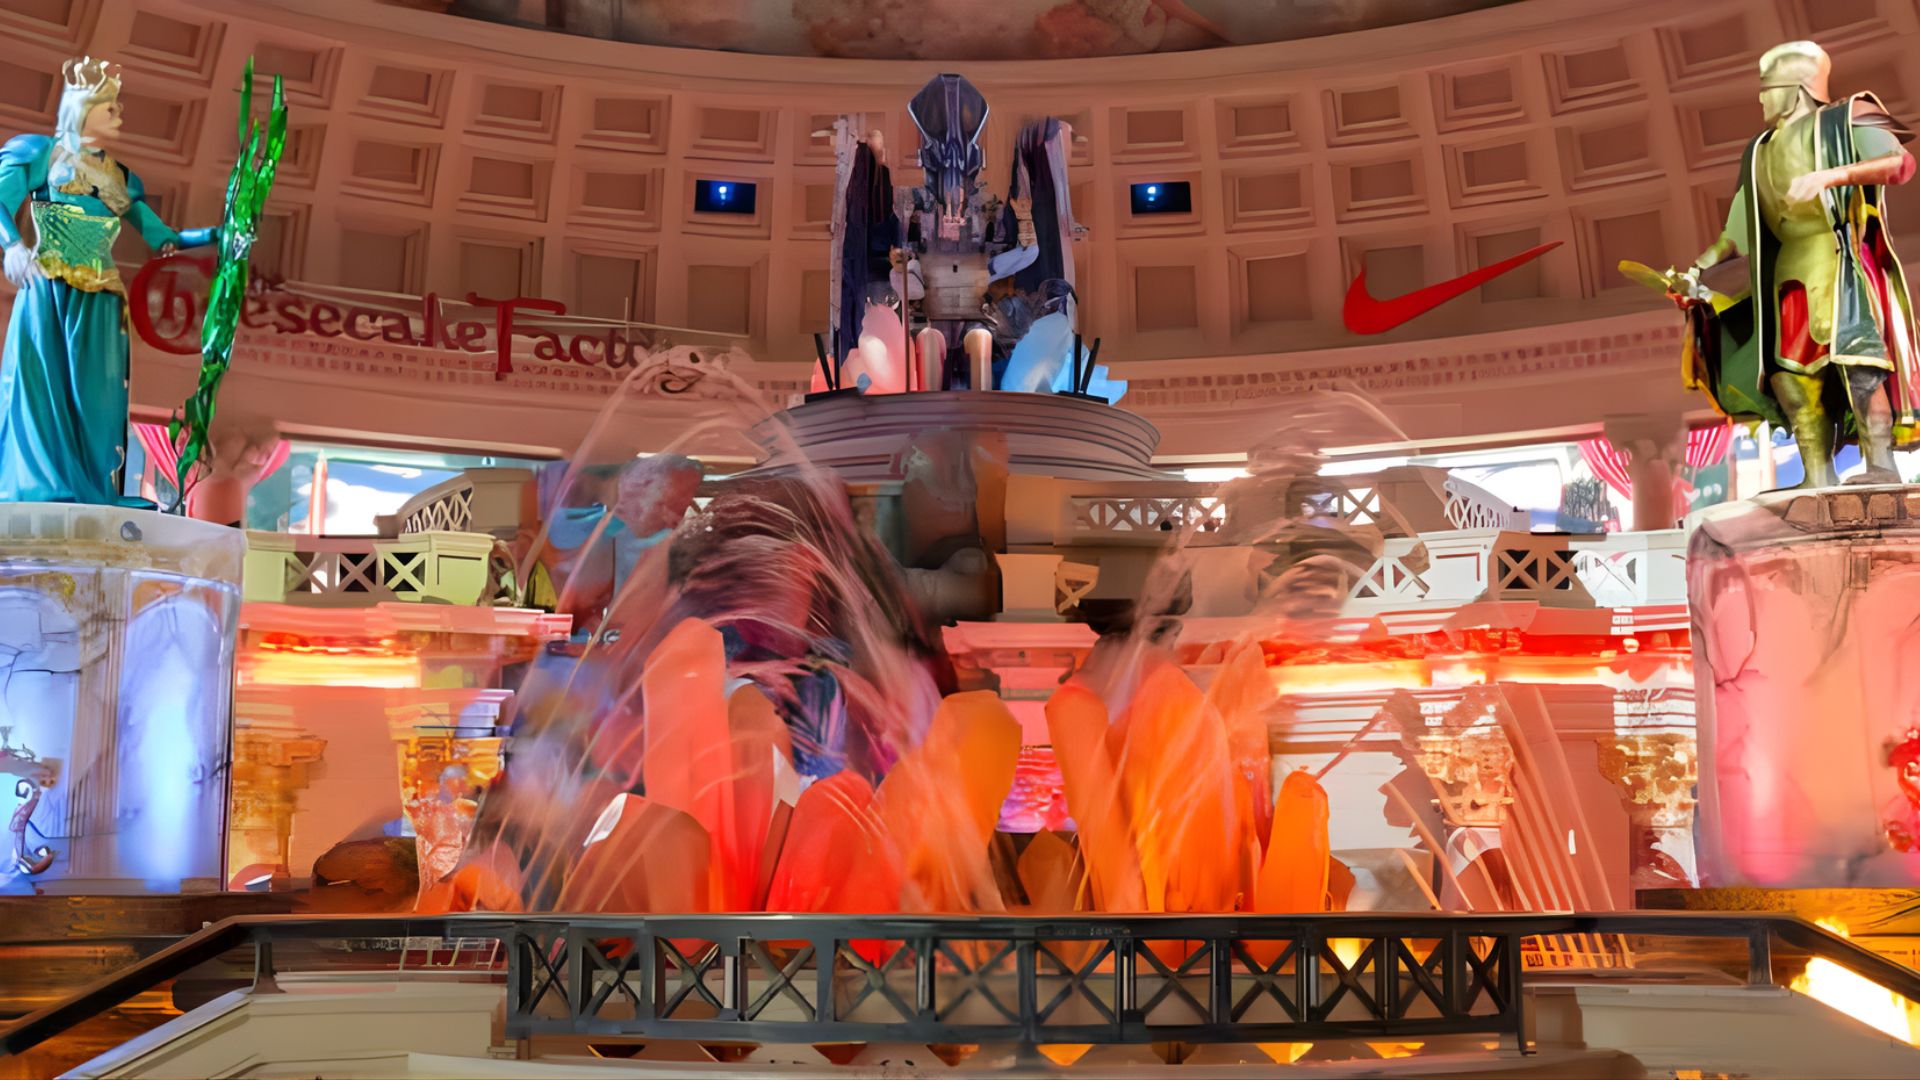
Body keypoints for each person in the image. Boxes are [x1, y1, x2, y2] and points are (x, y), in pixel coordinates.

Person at [1686, 41, 1919, 488]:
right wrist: (1696, 271)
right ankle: (1816, 475)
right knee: (1789, 378)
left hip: (1840, 263)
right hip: (1787, 277)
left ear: (1795, 89)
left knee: (1860, 366)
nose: (1760, 98)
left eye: (1766, 88)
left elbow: (1899, 163)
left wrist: (1828, 176)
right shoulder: (1758, 151)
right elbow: (1734, 234)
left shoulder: (1848, 117)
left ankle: (1881, 467)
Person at [0, 57, 218, 505]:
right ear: (82, 107)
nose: (119, 116)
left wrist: (223, 232)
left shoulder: (122, 178)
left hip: (103, 298)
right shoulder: (39, 153)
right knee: (44, 386)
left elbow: (166, 238)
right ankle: (43, 486)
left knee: (100, 399)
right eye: (111, 107)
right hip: (51, 286)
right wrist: (12, 245)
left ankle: (99, 489)